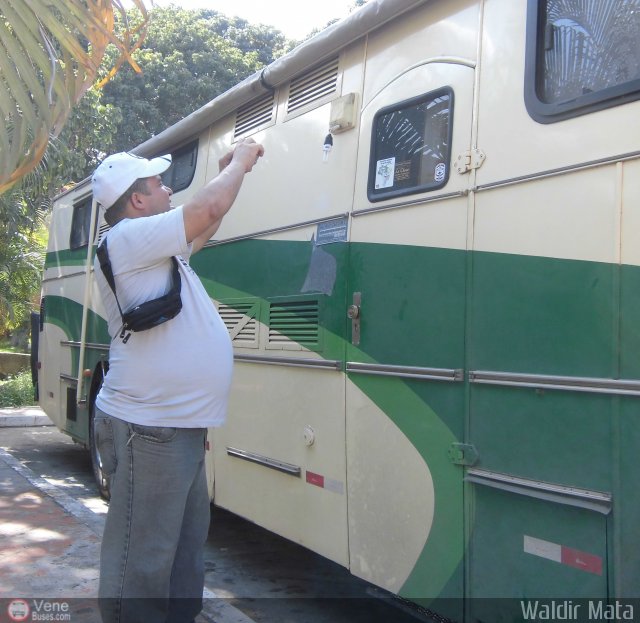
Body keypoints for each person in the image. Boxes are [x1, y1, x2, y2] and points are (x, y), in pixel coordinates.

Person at [90, 138, 264, 623]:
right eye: (157, 183)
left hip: (177, 426)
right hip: (149, 427)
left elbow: (207, 219)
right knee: (141, 562)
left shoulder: (157, 250)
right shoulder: (127, 240)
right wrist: (244, 159)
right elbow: (206, 205)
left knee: (183, 553)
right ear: (138, 200)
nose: (168, 188)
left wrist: (237, 174)